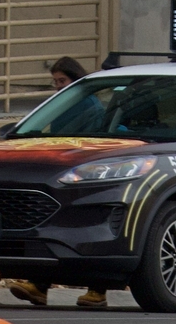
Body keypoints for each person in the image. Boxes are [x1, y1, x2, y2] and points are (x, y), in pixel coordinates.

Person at [7, 57, 108, 308]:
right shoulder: (63, 106)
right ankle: (40, 285)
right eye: (55, 82)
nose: (58, 87)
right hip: (61, 166)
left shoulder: (90, 107)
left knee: (88, 227)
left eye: (62, 81)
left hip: (84, 169)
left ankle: (98, 289)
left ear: (74, 80)